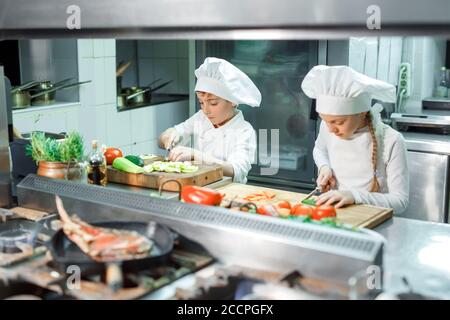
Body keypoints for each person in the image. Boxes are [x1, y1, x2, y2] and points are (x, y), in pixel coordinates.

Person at [301, 65, 409, 214]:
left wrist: (354, 196)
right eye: (325, 120)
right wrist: (325, 167)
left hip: (374, 221)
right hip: (338, 216)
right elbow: (319, 149)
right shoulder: (327, 128)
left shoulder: (392, 141)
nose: (331, 129)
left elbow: (400, 202)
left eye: (338, 122)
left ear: (362, 112)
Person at [159, 57, 262, 183]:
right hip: (200, 188)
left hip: (229, 192)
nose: (206, 110)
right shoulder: (201, 118)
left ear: (232, 102)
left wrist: (196, 155)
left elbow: (236, 170)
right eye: (201, 103)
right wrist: (169, 135)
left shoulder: (244, 131)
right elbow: (167, 137)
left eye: (213, 103)